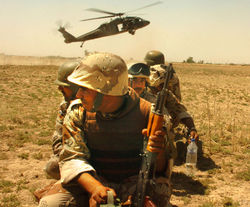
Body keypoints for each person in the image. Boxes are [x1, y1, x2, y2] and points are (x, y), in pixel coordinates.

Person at [38, 52, 172, 207]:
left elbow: (161, 170)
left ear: (107, 90)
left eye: (85, 89)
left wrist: (159, 150)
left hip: (136, 184)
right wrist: (95, 188)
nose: (79, 94)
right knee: (51, 204)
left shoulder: (149, 113)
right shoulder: (78, 111)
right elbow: (72, 158)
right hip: (92, 179)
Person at [128, 63, 199, 180]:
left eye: (142, 81)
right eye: (135, 80)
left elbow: (176, 112)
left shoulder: (155, 99)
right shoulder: (121, 98)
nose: (139, 84)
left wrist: (191, 128)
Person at [44, 60, 80, 180]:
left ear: (76, 87)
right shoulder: (65, 106)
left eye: (64, 86)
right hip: (72, 156)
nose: (59, 88)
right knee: (52, 167)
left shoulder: (96, 107)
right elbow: (57, 138)